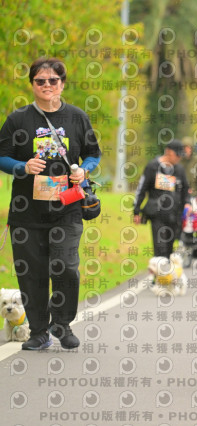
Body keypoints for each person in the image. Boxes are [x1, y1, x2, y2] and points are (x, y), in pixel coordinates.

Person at [0, 57, 101, 350]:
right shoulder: (18, 119)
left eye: (53, 80)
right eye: (40, 81)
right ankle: (38, 331)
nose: (47, 85)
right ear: (32, 84)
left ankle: (62, 324)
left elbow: (93, 153)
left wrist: (85, 170)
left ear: (62, 83)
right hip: (26, 211)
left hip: (67, 208)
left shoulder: (77, 118)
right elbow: (2, 155)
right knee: (31, 272)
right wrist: (22, 166)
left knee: (66, 267)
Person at [133, 139, 190, 258]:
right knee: (160, 247)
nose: (179, 158)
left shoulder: (179, 169)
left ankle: (166, 268)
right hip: (157, 214)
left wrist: (187, 203)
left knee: (169, 248)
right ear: (168, 151)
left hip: (174, 214)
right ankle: (159, 268)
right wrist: (136, 210)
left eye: (180, 155)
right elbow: (142, 188)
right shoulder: (153, 167)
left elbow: (185, 189)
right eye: (177, 155)